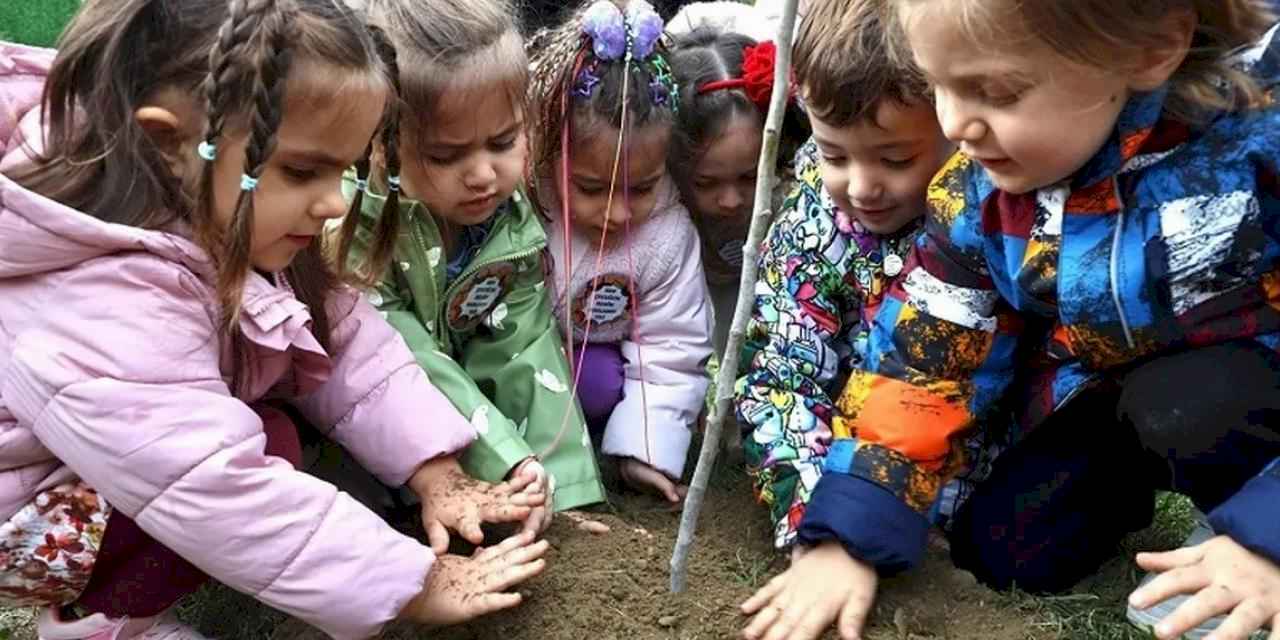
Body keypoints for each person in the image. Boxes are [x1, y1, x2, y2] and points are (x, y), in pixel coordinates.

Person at [0, 1, 548, 638]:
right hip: (24, 517)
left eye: (345, 169)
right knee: (259, 453)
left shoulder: (214, 201)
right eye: (302, 170)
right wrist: (408, 584)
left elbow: (343, 338)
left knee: (276, 431)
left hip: (103, 469)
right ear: (166, 141)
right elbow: (212, 488)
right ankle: (101, 626)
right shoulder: (95, 297)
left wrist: (436, 468)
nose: (337, 199)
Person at [741, 1, 1280, 639]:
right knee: (1005, 550)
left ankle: (1241, 537)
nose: (954, 123)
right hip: (1108, 381)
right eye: (938, 84)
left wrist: (1267, 536)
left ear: (1151, 50)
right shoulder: (977, 193)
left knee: (1186, 405)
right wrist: (850, 534)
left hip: (1245, 375)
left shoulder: (1253, 142)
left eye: (993, 91)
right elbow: (925, 356)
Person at [341, 0, 606, 529]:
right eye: (445, 155)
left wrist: (556, 486)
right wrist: (507, 460)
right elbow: (407, 359)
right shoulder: (357, 230)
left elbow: (525, 351)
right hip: (368, 442)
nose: (483, 173)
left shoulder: (505, 218)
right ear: (377, 145)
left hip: (470, 432)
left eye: (504, 142)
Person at [731, 0, 952, 551]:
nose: (860, 187)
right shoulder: (811, 230)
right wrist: (816, 518)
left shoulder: (990, 216)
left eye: (895, 160)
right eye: (834, 155)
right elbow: (780, 381)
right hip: (842, 467)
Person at [526, 0, 714, 503]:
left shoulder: (668, 237)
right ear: (549, 155)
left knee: (596, 383)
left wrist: (645, 448)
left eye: (641, 188)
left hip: (597, 368)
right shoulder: (523, 208)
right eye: (590, 188)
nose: (616, 213)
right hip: (520, 363)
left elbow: (671, 344)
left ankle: (608, 443)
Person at [666, 5, 810, 353]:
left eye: (750, 177)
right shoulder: (663, 218)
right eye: (705, 183)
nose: (730, 200)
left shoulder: (794, 199)